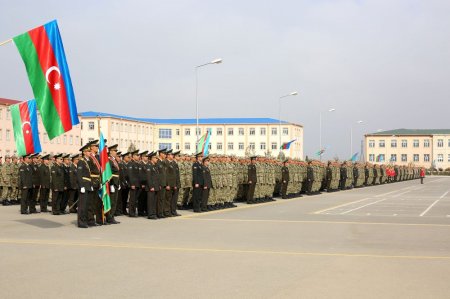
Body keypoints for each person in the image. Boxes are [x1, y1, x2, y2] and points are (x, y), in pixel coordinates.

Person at [76, 143, 94, 228]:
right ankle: (81, 222)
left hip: (88, 184)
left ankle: (85, 220)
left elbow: (89, 175)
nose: (90, 152)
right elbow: (79, 175)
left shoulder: (88, 161)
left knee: (87, 204)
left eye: (90, 151)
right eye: (88, 151)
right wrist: (81, 186)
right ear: (84, 152)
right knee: (82, 205)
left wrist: (90, 184)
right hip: (83, 184)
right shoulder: (81, 161)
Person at [107, 145, 120, 224]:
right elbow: (109, 173)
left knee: (115, 201)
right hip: (112, 182)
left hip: (116, 182)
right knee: (111, 201)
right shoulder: (109, 160)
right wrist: (111, 184)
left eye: (116, 151)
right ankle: (109, 217)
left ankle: (112, 216)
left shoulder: (114, 160)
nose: (116, 152)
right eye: (114, 151)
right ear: (110, 152)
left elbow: (118, 172)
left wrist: (118, 183)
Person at [145, 151, 160, 219]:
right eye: (155, 158)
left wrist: (158, 185)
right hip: (151, 187)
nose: (157, 159)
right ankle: (150, 214)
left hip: (155, 187)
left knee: (154, 201)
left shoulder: (154, 166)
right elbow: (148, 178)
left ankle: (154, 213)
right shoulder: (148, 165)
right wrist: (151, 186)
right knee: (150, 201)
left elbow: (157, 177)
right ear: (152, 158)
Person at [127, 150, 141, 217]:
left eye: (138, 155)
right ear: (133, 156)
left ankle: (134, 211)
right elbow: (130, 175)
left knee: (135, 199)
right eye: (137, 155)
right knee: (132, 199)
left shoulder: (137, 164)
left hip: (138, 184)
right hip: (133, 184)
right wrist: (132, 184)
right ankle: (131, 212)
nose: (138, 156)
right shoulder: (130, 163)